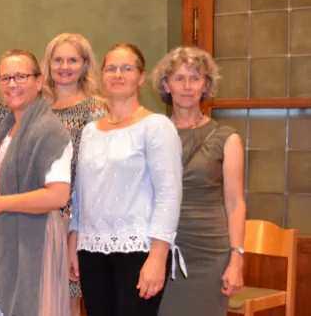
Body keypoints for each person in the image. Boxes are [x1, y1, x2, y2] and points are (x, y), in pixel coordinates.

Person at [70, 43, 183, 316]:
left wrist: (158, 256)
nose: (118, 74)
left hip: (139, 250)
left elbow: (169, 194)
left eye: (127, 68)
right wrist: (74, 241)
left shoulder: (157, 126)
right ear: (102, 75)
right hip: (92, 250)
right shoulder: (89, 131)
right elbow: (80, 192)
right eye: (111, 68)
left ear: (141, 77)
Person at [0, 49, 73, 316]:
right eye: (5, 78)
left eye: (20, 76)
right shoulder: (8, 127)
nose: (12, 84)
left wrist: (0, 203)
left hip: (33, 239)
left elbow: (57, 196)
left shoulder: (49, 130)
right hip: (2, 235)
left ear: (38, 81)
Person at [154, 46, 245, 316]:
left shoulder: (227, 138)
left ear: (206, 85)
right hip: (160, 249)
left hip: (209, 253)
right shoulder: (152, 132)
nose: (187, 86)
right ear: (166, 84)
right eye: (179, 78)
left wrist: (237, 258)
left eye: (195, 78)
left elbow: (235, 203)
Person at [40, 32, 107, 314]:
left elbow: (98, 173)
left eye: (72, 60)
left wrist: (75, 228)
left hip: (75, 218)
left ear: (85, 65)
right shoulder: (37, 109)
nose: (64, 66)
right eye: (58, 60)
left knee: (68, 299)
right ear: (49, 64)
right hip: (38, 216)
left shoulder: (97, 109)